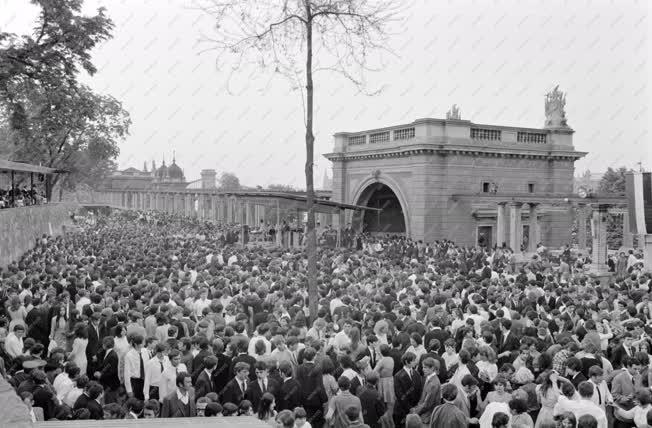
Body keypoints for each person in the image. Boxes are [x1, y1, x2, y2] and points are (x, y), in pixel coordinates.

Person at [411, 357, 441, 424]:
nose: (422, 369)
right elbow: (423, 398)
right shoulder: (427, 377)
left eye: (425, 367)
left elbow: (427, 404)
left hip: (427, 417)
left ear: (432, 368)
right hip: (423, 413)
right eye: (422, 367)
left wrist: (415, 411)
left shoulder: (433, 384)